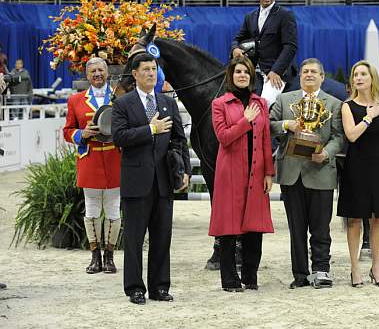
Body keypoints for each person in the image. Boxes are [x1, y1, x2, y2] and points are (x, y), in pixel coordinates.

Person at [111, 52, 191, 305]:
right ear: (134, 74)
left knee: (162, 236)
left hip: (165, 181)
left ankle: (159, 287)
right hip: (136, 181)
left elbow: (179, 138)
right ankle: (135, 288)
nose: (150, 73)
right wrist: (150, 129)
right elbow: (119, 137)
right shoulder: (123, 104)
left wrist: (185, 170)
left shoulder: (167, 102)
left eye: (154, 69)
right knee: (134, 239)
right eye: (145, 69)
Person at [269, 58, 345, 289]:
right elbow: (268, 124)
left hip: (321, 170)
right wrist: (286, 126)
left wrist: (327, 153)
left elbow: (339, 137)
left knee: (321, 227)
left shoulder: (334, 104)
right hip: (292, 172)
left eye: (314, 72)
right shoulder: (284, 100)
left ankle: (321, 270)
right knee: (297, 228)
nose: (309, 74)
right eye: (305, 71)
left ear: (322, 77)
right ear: (299, 76)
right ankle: (300, 274)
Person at [209, 56, 274, 292]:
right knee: (229, 227)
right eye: (238, 72)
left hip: (256, 171)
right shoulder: (220, 104)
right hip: (230, 173)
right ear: (231, 76)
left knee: (254, 227)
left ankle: (250, 276)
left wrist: (269, 172)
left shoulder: (261, 103)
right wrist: (245, 121)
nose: (242, 75)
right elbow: (224, 138)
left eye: (246, 72)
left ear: (251, 76)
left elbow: (266, 139)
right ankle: (229, 279)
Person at [337, 61, 379, 288]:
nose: (358, 78)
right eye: (355, 75)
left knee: (377, 219)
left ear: (372, 78)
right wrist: (368, 117)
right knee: (354, 220)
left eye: (363, 74)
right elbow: (352, 135)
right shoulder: (347, 106)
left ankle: (376, 268)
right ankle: (355, 270)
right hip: (355, 167)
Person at [63, 57, 122, 275]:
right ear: (87, 75)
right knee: (92, 210)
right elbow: (67, 131)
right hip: (90, 161)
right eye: (93, 71)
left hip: (115, 159)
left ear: (107, 73)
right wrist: (82, 134)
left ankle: (110, 256)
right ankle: (95, 256)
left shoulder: (119, 96)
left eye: (101, 70)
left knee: (114, 210)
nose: (97, 74)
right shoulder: (75, 100)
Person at [231, 0, 298, 100]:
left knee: (265, 103)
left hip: (276, 72)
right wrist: (235, 49)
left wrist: (276, 71)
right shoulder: (250, 16)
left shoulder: (285, 15)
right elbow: (237, 39)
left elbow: (290, 46)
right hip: (254, 70)